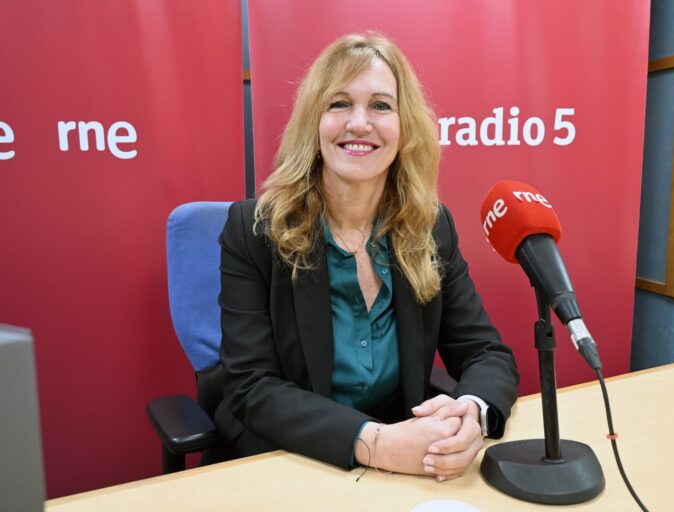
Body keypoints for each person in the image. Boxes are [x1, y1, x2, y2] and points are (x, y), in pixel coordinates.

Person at [215, 32, 519, 481]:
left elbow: (486, 352)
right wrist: (376, 443)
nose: (360, 123)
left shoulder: (431, 228)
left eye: (381, 105)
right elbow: (251, 388)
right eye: (338, 104)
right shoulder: (254, 230)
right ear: (313, 123)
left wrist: (471, 414)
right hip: (286, 462)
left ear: (404, 126)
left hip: (403, 466)